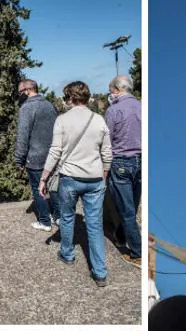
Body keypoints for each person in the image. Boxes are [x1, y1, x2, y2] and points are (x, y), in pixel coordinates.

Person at [39, 81, 113, 287]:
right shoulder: (99, 120)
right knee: (95, 225)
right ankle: (99, 272)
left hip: (70, 178)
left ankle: (67, 254)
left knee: (67, 217)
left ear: (70, 97)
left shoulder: (62, 120)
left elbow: (55, 151)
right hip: (95, 178)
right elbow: (107, 153)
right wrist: (104, 174)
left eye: (66, 98)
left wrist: (44, 178)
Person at [105, 75, 142, 267]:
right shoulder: (142, 106)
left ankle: (137, 253)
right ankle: (121, 235)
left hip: (121, 162)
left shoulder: (114, 110)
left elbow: (106, 140)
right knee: (132, 207)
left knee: (127, 211)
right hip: (140, 162)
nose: (111, 94)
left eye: (111, 91)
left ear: (117, 90)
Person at [15, 78, 60, 232]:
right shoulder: (49, 105)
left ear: (26, 91)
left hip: (35, 156)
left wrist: (19, 159)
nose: (19, 95)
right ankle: (58, 216)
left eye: (20, 92)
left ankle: (45, 221)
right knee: (53, 188)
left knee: (37, 189)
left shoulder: (26, 108)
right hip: (53, 155)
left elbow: (23, 136)